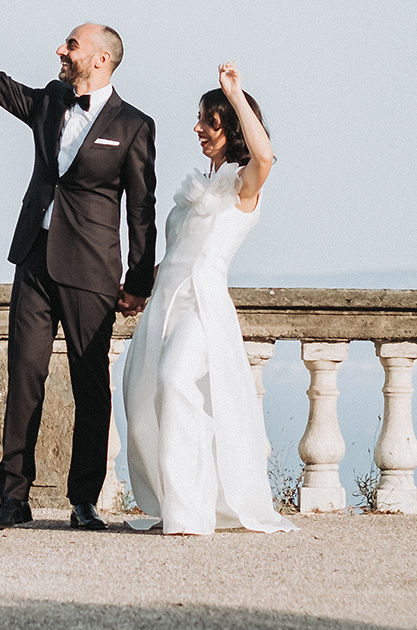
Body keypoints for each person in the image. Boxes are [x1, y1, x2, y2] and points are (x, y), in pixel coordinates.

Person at [0, 0, 156, 531]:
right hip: (34, 261)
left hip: (93, 273)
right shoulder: (50, 100)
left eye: (71, 44)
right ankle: (14, 498)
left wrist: (138, 281)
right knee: (23, 378)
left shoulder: (134, 126)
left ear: (100, 58)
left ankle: (83, 501)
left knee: (89, 384)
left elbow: (141, 210)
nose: (61, 49)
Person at [121, 63, 295, 535]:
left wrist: (235, 96)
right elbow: (176, 255)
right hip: (164, 306)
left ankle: (189, 514)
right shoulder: (197, 186)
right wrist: (139, 289)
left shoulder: (243, 185)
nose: (197, 127)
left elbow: (266, 156)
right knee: (143, 400)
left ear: (230, 128)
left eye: (208, 120)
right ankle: (177, 503)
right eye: (199, 118)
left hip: (202, 303)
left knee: (176, 379)